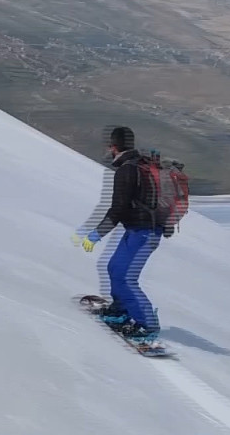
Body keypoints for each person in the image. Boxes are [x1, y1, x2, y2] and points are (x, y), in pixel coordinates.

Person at [73, 126, 172, 343]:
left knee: (126, 277)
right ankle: (121, 309)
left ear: (113, 146)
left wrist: (96, 235)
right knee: (114, 268)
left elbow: (118, 209)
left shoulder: (126, 171)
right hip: (138, 230)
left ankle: (148, 325)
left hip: (145, 233)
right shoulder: (139, 165)